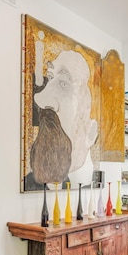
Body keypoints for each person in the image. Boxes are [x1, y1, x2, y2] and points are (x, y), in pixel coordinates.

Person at [28, 49, 98, 189]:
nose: (39, 99)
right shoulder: (29, 184)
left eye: (64, 84)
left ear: (90, 133)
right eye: (49, 77)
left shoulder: (94, 189)